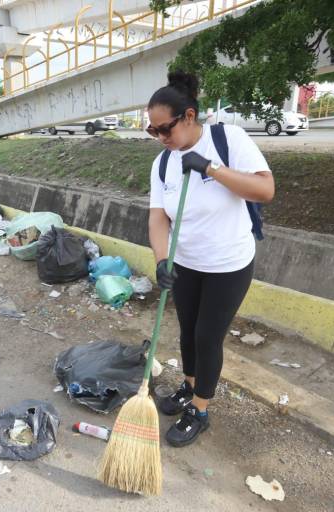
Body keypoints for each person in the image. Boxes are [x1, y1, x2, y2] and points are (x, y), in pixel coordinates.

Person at [146, 71, 275, 447]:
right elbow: (158, 216)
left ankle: (200, 409)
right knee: (188, 331)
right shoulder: (163, 163)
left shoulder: (228, 139)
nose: (161, 138)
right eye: (153, 132)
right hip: (186, 261)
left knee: (207, 336)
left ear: (188, 116)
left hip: (228, 264)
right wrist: (161, 259)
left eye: (165, 129)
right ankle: (189, 387)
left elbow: (265, 189)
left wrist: (208, 168)